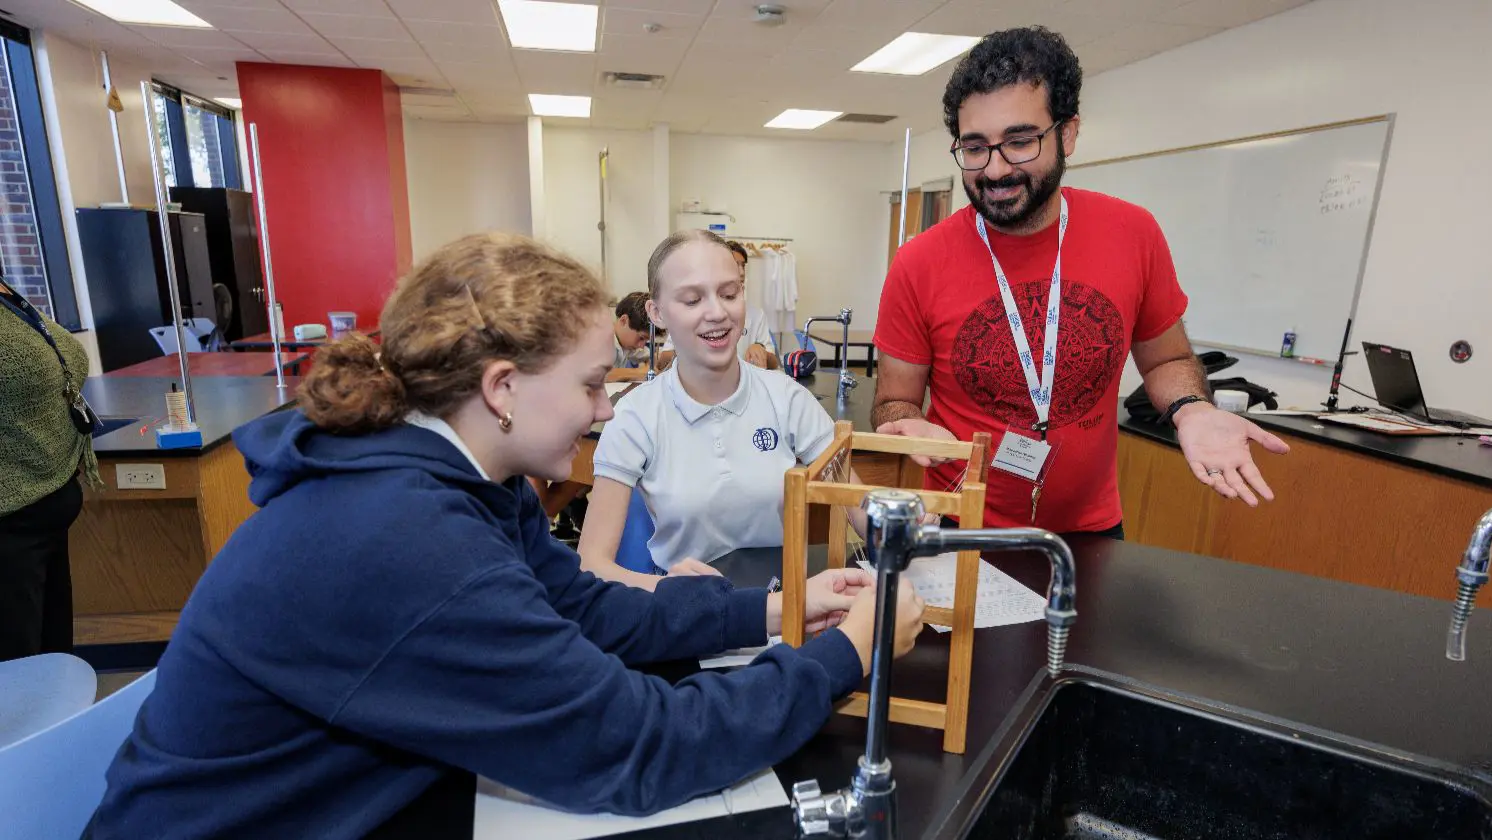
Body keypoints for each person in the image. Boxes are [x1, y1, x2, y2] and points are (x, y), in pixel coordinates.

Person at [87, 233, 926, 839]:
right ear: (501, 390)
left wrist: (772, 608)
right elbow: (639, 746)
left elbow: (589, 612)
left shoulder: (473, 483)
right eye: (593, 385)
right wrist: (845, 654)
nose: (607, 409)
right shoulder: (406, 541)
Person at [872, 27, 1289, 536]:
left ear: (1067, 133)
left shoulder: (1132, 234)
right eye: (975, 147)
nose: (996, 168)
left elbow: (1169, 359)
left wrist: (1192, 409)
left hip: (1088, 532)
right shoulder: (919, 261)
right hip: (956, 524)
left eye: (1021, 141)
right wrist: (903, 423)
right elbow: (894, 401)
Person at [578, 230, 876, 589]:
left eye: (729, 294)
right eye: (692, 300)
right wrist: (670, 592)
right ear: (656, 313)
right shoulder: (635, 416)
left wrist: (903, 526)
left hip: (780, 603)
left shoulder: (785, 398)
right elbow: (592, 566)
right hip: (685, 612)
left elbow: (858, 506)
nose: (717, 313)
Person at [0, 275, 99, 662]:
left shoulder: (6, 289)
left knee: (53, 669)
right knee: (17, 689)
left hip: (45, 516)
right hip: (10, 529)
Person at [654, 240, 778, 372]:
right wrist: (692, 351)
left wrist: (760, 350)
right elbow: (663, 360)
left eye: (743, 265)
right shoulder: (691, 311)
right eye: (736, 264)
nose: (741, 272)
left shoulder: (756, 314)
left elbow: (774, 362)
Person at [611, 290, 652, 369]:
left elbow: (651, 356)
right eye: (641, 338)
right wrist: (639, 373)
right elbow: (601, 375)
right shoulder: (600, 340)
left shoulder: (627, 345)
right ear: (624, 321)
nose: (642, 346)